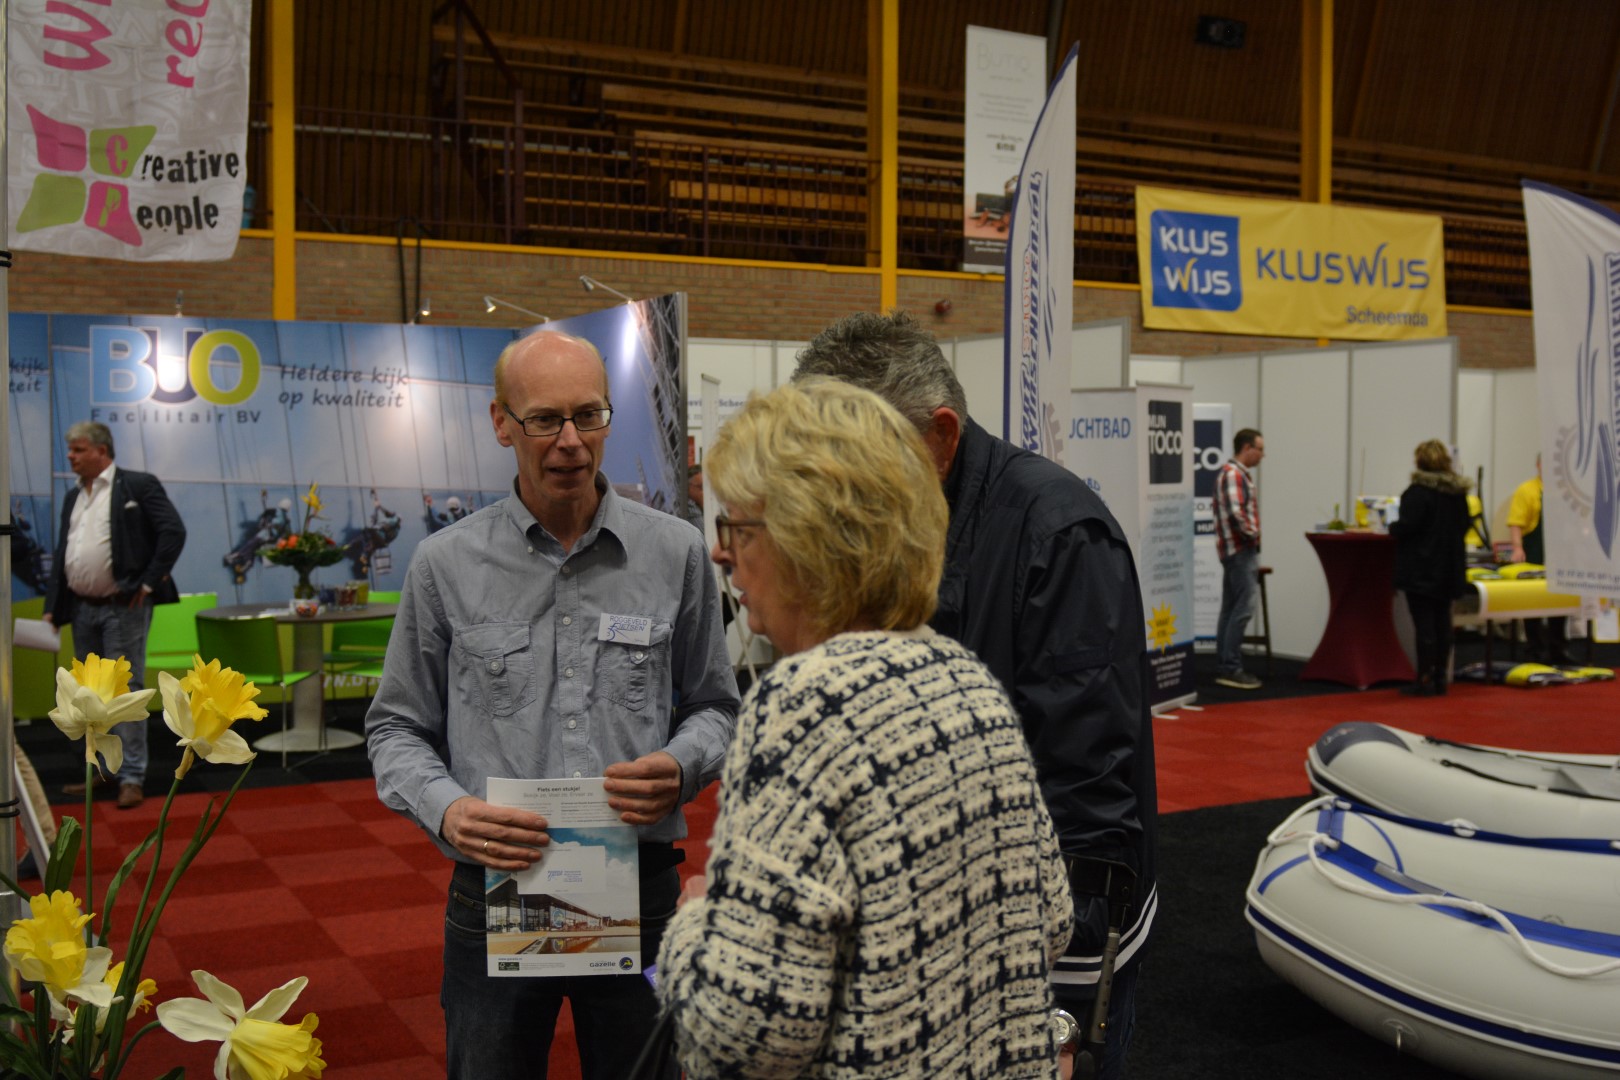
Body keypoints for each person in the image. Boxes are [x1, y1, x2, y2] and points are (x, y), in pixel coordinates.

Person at [659, 379, 1074, 1077]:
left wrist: (695, 926)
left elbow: (751, 1028)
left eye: (737, 528)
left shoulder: (803, 705)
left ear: (808, 542)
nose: (722, 554)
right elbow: (1051, 919)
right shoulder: (967, 681)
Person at [364, 329, 739, 1080]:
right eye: (544, 420)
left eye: (588, 416)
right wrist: (448, 810)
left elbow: (717, 707)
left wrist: (681, 765)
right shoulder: (445, 565)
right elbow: (395, 727)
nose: (571, 441)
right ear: (501, 423)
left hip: (640, 891)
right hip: (494, 892)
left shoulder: (675, 554)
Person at [793, 311, 1155, 1080]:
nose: (834, 488)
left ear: (940, 436)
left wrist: (1058, 1007)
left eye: (852, 458)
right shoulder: (892, 521)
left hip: (1040, 950)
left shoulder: (1057, 534)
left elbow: (1087, 792)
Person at [42, 421, 186, 810]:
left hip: (124, 608)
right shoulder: (74, 496)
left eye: (78, 450)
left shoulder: (137, 485)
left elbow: (173, 531)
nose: (70, 456)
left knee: (125, 691)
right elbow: (64, 552)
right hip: (81, 608)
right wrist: (52, 606)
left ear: (102, 451)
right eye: (71, 450)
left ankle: (132, 776)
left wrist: (148, 583)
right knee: (89, 693)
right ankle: (103, 772)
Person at [1389, 440, 1472, 695]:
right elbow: (1465, 525)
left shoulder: (1417, 492)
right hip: (1449, 566)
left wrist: (1392, 528)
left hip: (1421, 568)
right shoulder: (1458, 494)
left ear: (1420, 462)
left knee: (1424, 624)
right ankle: (1440, 678)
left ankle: (1424, 678)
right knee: (1443, 622)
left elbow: (1407, 526)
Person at [1213, 428, 1266, 690]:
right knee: (1243, 608)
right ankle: (1231, 667)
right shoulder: (1234, 474)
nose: (1263, 455)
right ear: (1247, 448)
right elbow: (1237, 513)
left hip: (1234, 550)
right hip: (1240, 550)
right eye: (1260, 449)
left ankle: (1226, 664)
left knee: (1231, 608)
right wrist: (1254, 534)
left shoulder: (1233, 473)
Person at [1507, 454, 1571, 663]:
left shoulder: (1565, 490)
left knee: (1560, 603)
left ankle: (1558, 650)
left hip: (1560, 553)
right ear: (1538, 465)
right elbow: (1515, 523)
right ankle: (1534, 649)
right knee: (1533, 603)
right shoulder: (1526, 490)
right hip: (1534, 552)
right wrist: (1517, 548)